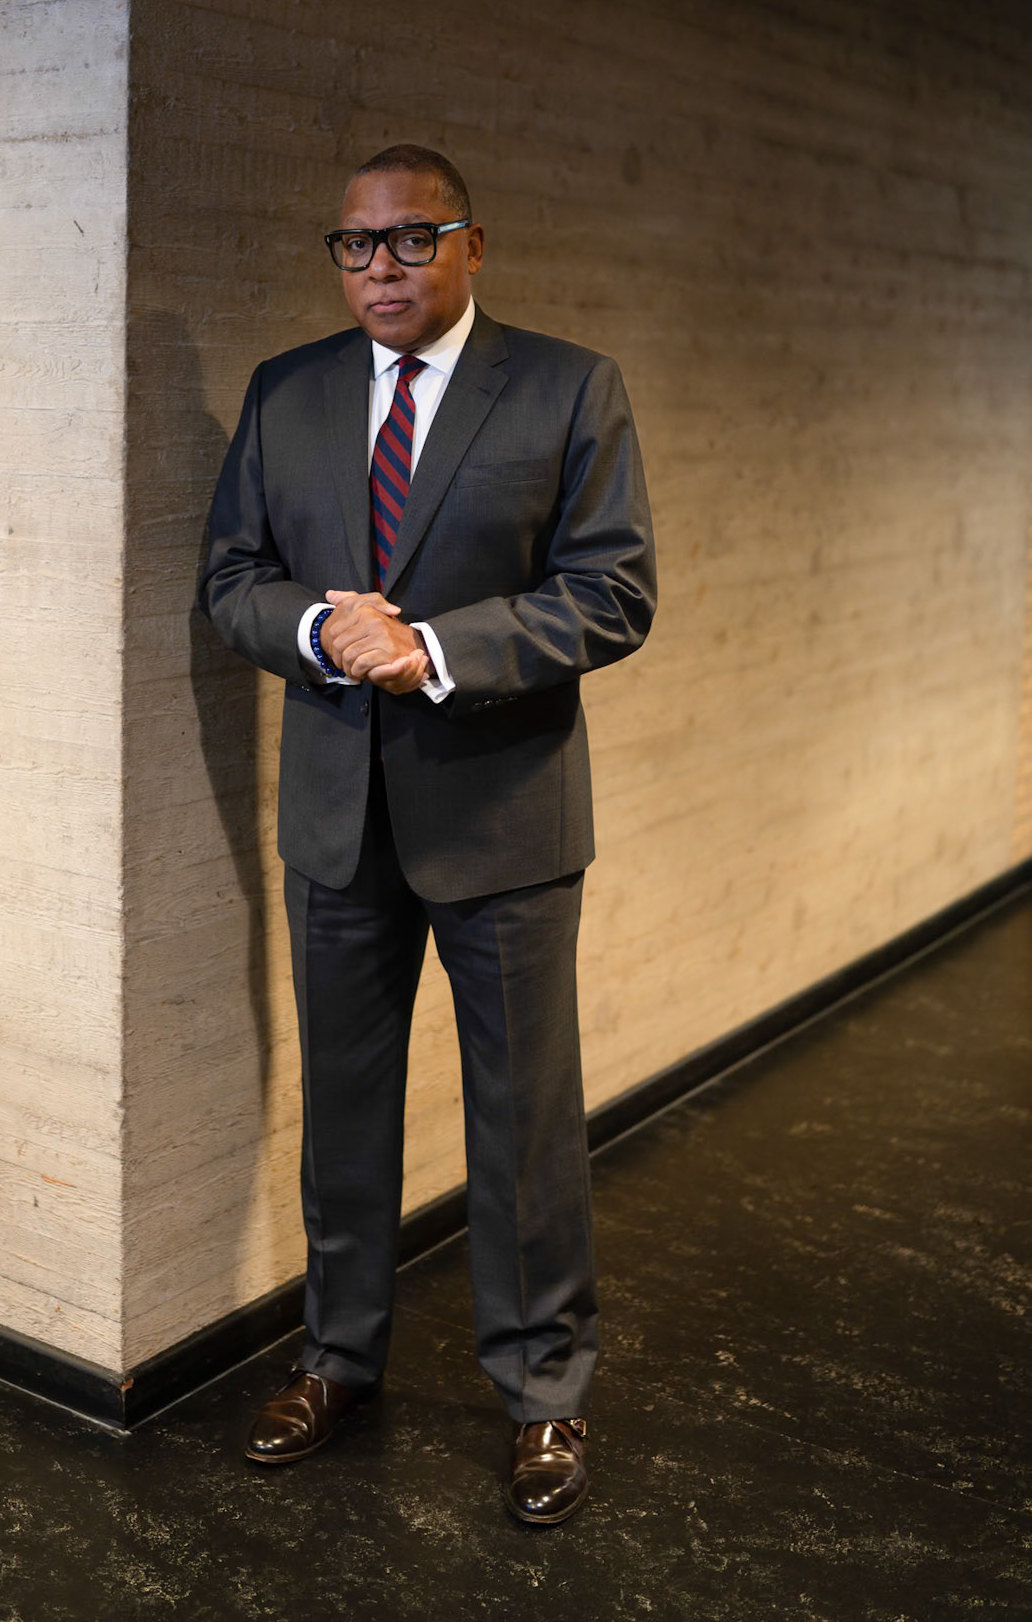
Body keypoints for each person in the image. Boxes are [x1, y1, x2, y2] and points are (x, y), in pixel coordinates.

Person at [198, 143, 656, 1525]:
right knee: (343, 1111)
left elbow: (613, 591)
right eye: (356, 244)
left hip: (503, 822)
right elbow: (232, 578)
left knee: (521, 1122)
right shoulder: (286, 392)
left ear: (471, 245)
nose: (380, 267)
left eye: (411, 239)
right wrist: (317, 628)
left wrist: (434, 651)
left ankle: (543, 1391)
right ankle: (336, 1359)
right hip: (336, 824)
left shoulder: (568, 385)